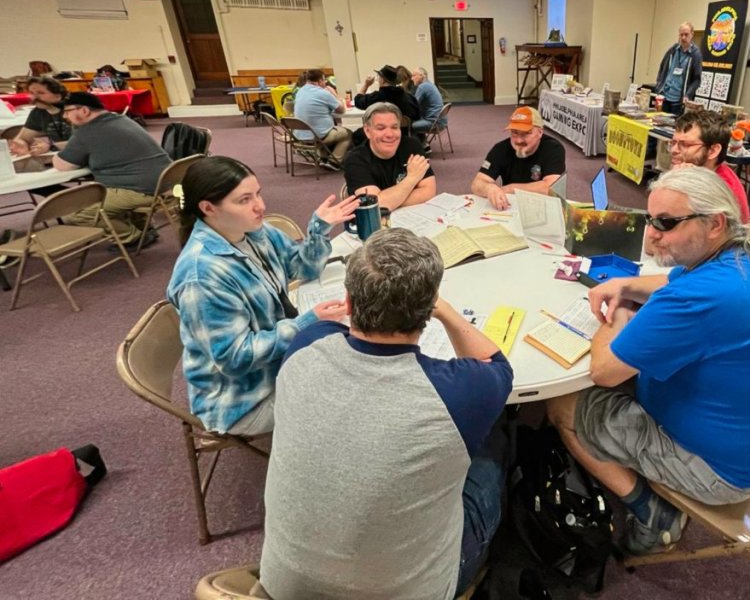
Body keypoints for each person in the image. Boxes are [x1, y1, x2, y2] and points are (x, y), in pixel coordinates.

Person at [546, 166, 750, 556]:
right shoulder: (742, 256)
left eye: (666, 224)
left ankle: (651, 512)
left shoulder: (703, 296)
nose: (652, 235)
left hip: (715, 472)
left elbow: (603, 372)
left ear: (715, 223)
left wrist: (618, 313)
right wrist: (628, 285)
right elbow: (674, 281)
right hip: (744, 442)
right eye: (651, 219)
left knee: (562, 404)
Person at [260, 228, 512, 600]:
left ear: (347, 300)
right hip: (409, 592)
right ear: (427, 310)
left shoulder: (305, 345)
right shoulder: (461, 392)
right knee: (494, 450)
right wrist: (443, 310)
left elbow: (336, 332)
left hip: (284, 586)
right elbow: (496, 364)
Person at [167, 156, 359, 435]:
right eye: (244, 199)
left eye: (258, 193)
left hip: (274, 360)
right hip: (241, 399)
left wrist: (319, 229)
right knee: (354, 390)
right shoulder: (202, 276)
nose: (260, 206)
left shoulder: (252, 231)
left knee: (356, 362)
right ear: (208, 208)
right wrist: (304, 325)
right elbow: (234, 358)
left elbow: (302, 267)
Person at [52, 92, 171, 248]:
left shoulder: (88, 131)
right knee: (109, 191)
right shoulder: (121, 119)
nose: (65, 116)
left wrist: (53, 154)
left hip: (141, 189)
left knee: (75, 215)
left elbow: (63, 165)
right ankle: (144, 228)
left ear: (84, 110)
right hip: (165, 180)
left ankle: (131, 237)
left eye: (68, 111)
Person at [343, 102, 436, 210]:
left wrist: (391, 201)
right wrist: (412, 178)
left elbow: (429, 191)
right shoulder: (355, 160)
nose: (390, 134)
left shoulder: (412, 146)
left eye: (394, 127)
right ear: (368, 131)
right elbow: (376, 205)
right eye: (381, 128)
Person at [470, 106, 566, 210]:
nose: (519, 140)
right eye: (515, 133)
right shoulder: (500, 149)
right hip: (511, 206)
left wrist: (510, 188)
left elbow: (551, 189)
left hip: (544, 206)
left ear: (540, 132)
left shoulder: (553, 148)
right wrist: (490, 188)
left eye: (526, 133)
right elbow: (476, 184)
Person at [669, 109, 750, 222]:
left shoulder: (718, 194)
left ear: (712, 151)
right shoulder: (704, 174)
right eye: (673, 143)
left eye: (685, 145)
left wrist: (676, 182)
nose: (673, 150)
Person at [292, 68, 353, 170]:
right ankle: (334, 162)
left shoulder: (300, 91)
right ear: (320, 81)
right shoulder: (323, 93)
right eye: (324, 80)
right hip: (317, 137)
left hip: (299, 136)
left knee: (325, 128)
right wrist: (334, 94)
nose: (325, 82)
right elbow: (341, 110)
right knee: (347, 133)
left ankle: (323, 158)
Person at [6, 76, 73, 158]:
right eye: (32, 93)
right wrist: (21, 145)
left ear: (58, 96)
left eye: (41, 93)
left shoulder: (75, 109)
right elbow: (23, 138)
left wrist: (51, 146)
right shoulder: (38, 112)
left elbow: (86, 142)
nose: (34, 97)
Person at [654, 21, 702, 112]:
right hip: (664, 97)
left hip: (679, 101)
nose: (683, 37)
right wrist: (659, 87)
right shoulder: (673, 50)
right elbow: (662, 68)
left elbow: (697, 80)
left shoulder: (696, 54)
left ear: (692, 34)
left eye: (686, 35)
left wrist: (688, 94)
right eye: (681, 35)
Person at [354, 64, 421, 127]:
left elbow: (358, 101)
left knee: (357, 135)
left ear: (382, 80)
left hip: (381, 133)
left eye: (378, 77)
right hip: (407, 134)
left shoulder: (377, 96)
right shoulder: (408, 96)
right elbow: (418, 114)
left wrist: (366, 85)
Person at [410, 66, 445, 145]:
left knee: (408, 125)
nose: (412, 79)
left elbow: (414, 105)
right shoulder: (430, 84)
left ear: (422, 75)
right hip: (440, 121)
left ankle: (421, 146)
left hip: (433, 123)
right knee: (416, 119)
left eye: (414, 75)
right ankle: (423, 143)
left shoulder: (423, 87)